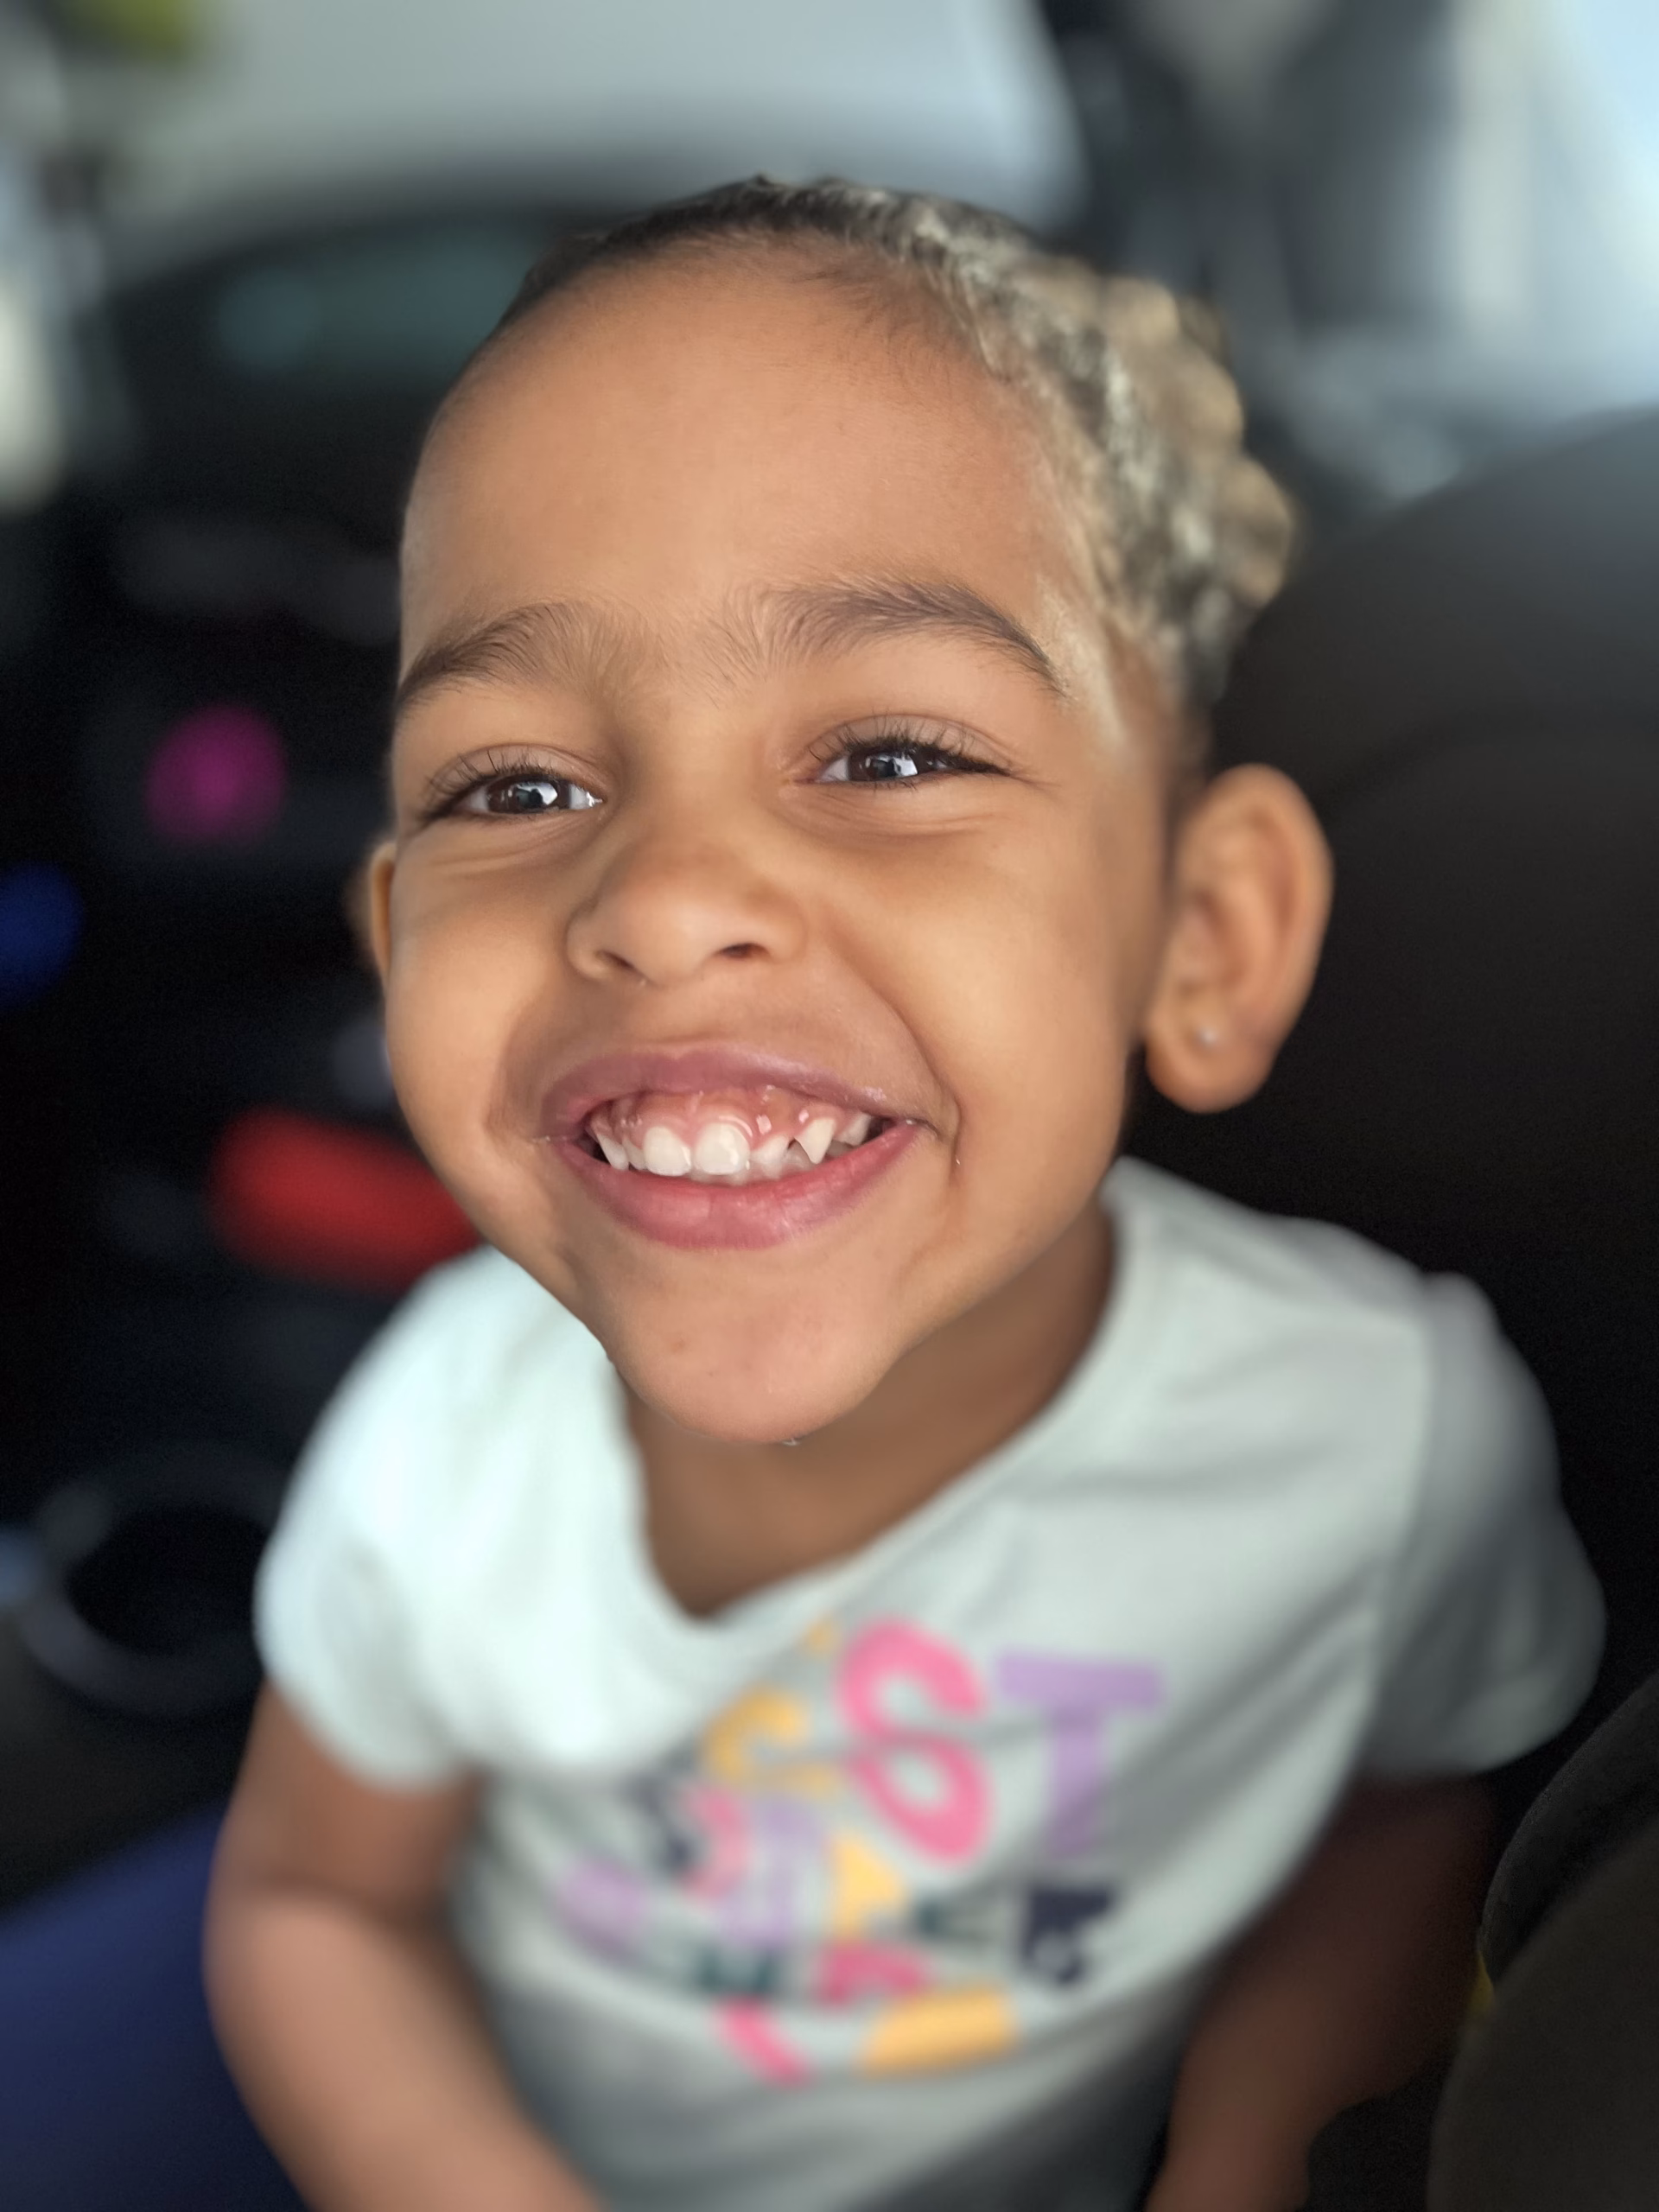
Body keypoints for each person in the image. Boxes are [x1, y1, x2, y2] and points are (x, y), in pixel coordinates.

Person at [203, 180, 1603, 2212]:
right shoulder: (446, 1449)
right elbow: (321, 1898)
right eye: (514, 786)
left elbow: (1383, 1828)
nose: (665, 896)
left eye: (883, 753)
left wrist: (1244, 2161)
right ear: (399, 939)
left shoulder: (1378, 1443)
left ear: (1203, 935)